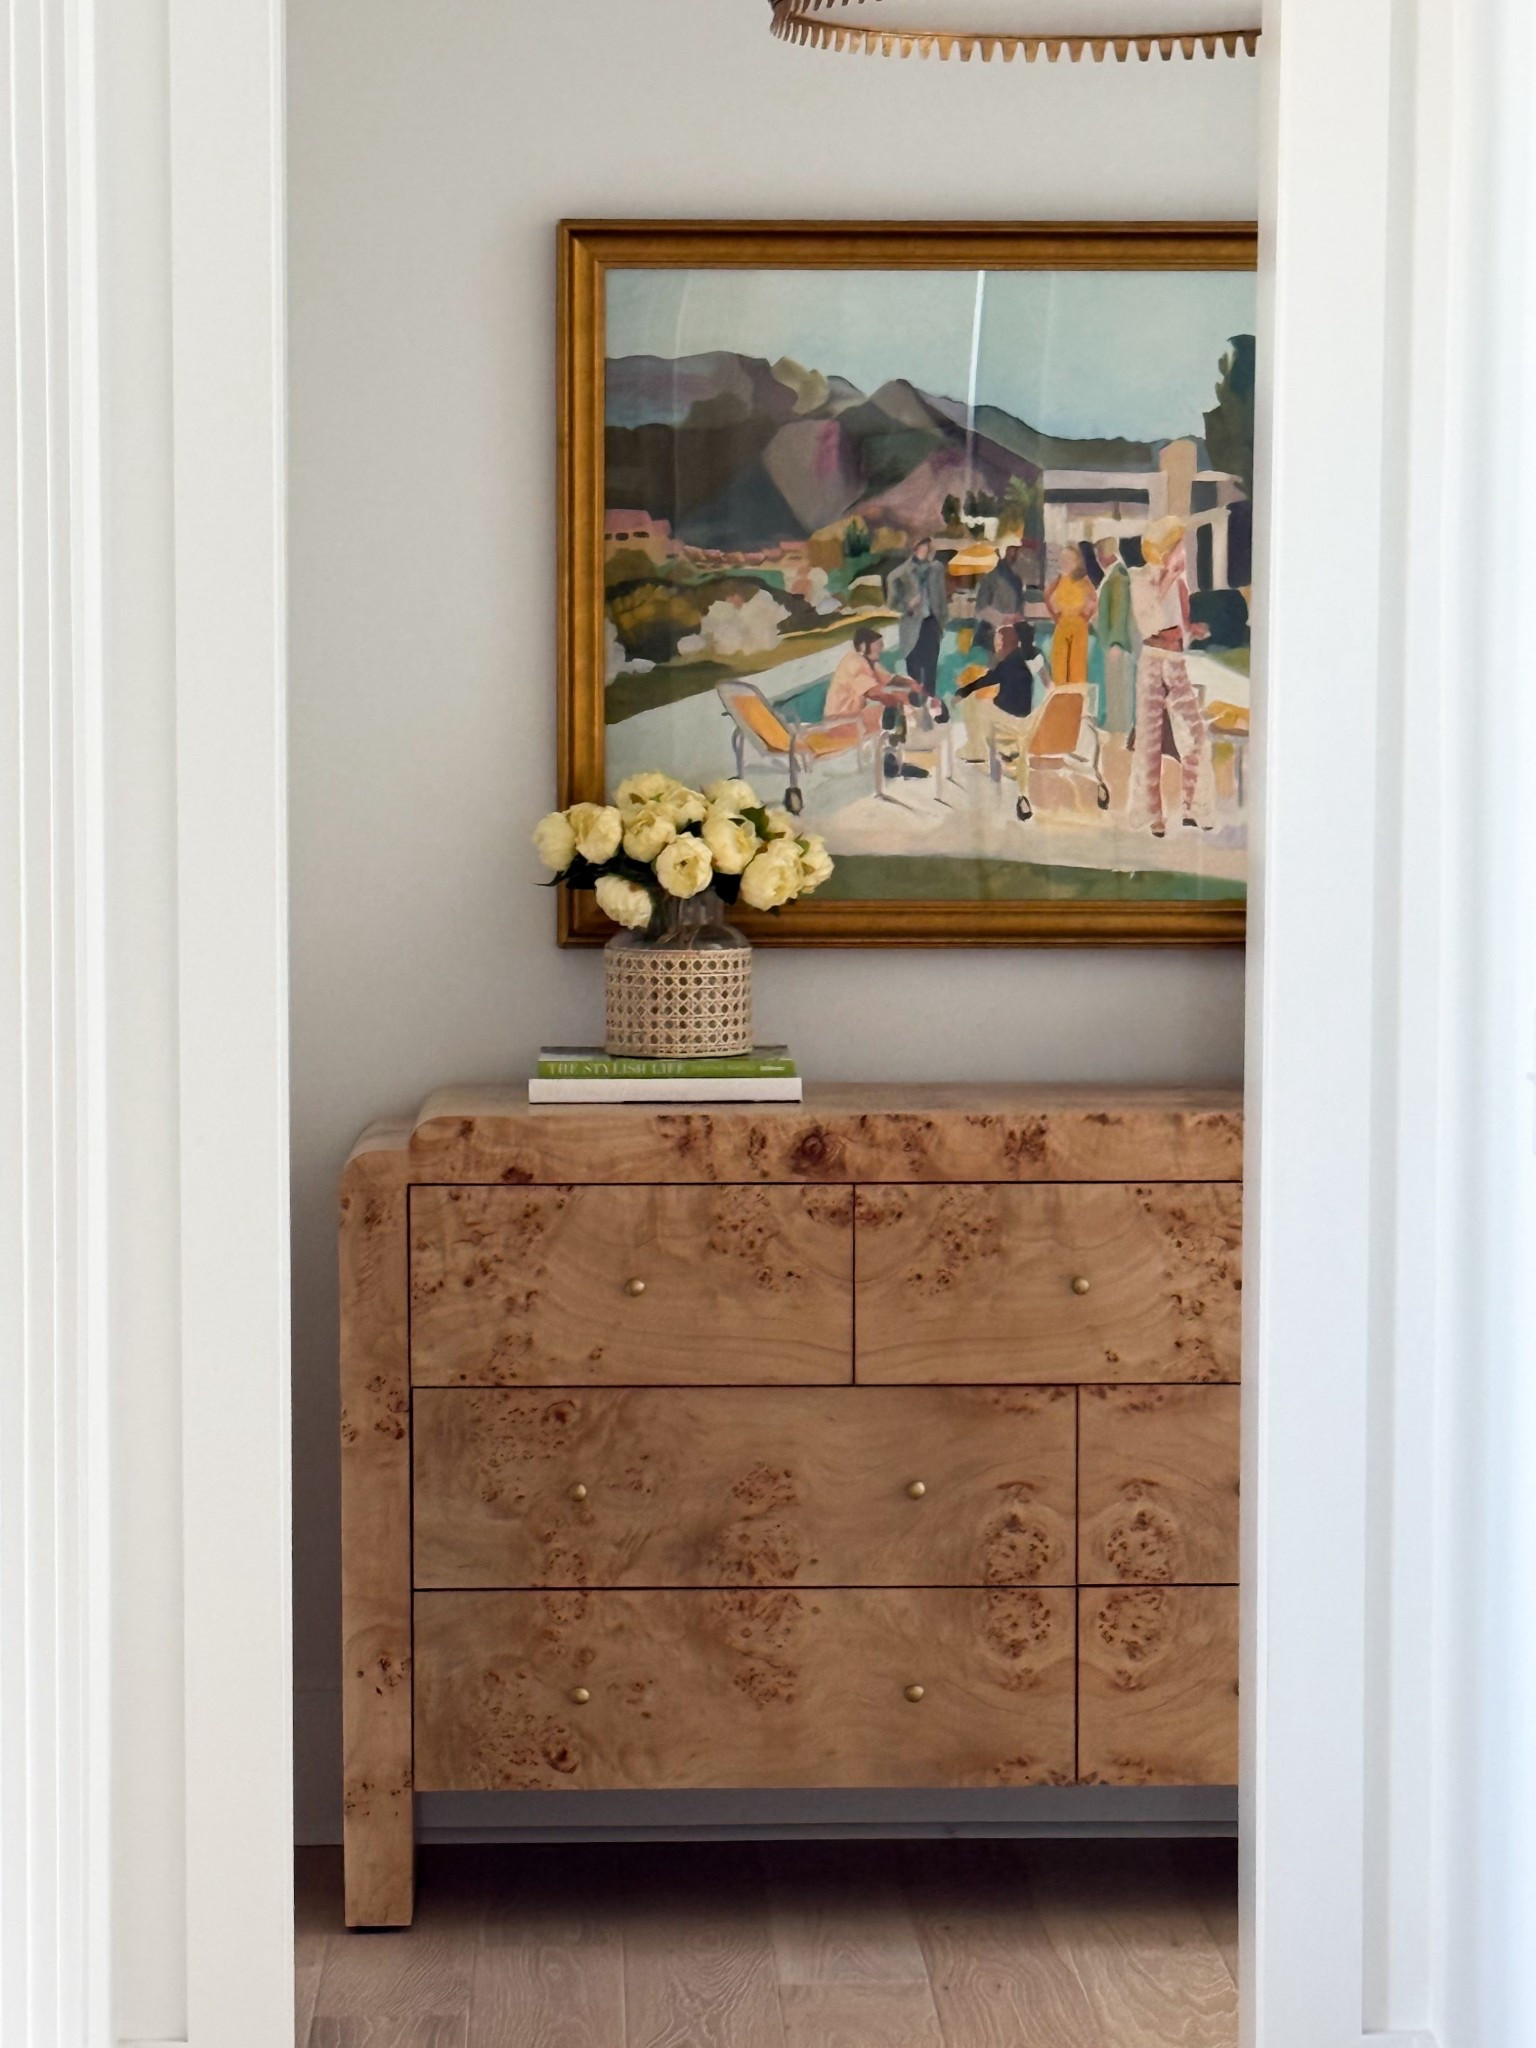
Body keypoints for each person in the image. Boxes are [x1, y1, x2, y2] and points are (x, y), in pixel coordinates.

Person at [1128, 517, 1211, 836]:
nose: (1184, 551)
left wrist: (1193, 631)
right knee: (1149, 741)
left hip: (1174, 661)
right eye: (1179, 546)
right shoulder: (1141, 580)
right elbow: (1150, 622)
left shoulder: (1180, 584)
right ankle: (1152, 815)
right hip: (1152, 662)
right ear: (1166, 549)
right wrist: (1168, 577)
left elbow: (1181, 626)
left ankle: (1194, 807)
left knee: (1194, 733)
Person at [953, 622, 1047, 767]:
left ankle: (977, 750)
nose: (995, 645)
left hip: (1013, 717)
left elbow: (987, 680)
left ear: (1005, 642)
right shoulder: (1017, 660)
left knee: (974, 703)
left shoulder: (1009, 663)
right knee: (983, 703)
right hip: (1022, 714)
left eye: (997, 641)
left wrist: (963, 692)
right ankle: (1004, 749)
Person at [887, 536, 948, 694]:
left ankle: (931, 706)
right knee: (913, 674)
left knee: (930, 671)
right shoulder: (900, 574)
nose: (927, 549)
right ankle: (915, 708)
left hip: (931, 624)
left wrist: (941, 624)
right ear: (915, 548)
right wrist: (908, 605)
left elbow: (941, 598)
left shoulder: (936, 568)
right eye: (923, 546)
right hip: (911, 626)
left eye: (927, 545)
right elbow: (891, 603)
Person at [1093, 536, 1136, 735]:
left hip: (1115, 645)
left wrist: (1116, 642)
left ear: (1104, 554)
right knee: (1113, 685)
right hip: (1110, 643)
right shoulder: (1113, 576)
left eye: (1098, 554)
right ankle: (1116, 725)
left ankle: (1119, 729)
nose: (1097, 558)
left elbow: (1120, 610)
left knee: (1119, 686)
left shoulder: (1118, 577)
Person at [1044, 543, 1096, 685]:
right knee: (1060, 667)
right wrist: (1055, 616)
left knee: (1076, 668)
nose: (1065, 562)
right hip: (1062, 625)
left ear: (1077, 561)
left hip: (1079, 627)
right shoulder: (1059, 579)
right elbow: (1046, 596)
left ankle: (1076, 700)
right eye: (1063, 559)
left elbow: (1096, 600)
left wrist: (1087, 616)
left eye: (1069, 559)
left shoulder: (1084, 581)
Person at [974, 542, 1027, 655]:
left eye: (1017, 550)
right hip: (991, 636)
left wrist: (1018, 619)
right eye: (1011, 549)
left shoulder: (1017, 580)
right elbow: (980, 608)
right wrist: (1003, 619)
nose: (1014, 554)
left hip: (1011, 636)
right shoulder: (990, 577)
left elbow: (1020, 610)